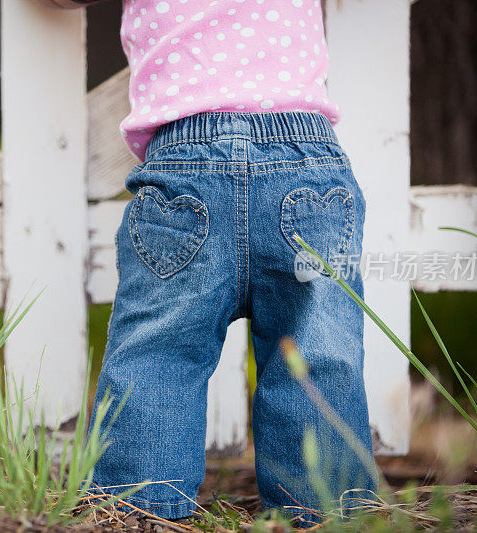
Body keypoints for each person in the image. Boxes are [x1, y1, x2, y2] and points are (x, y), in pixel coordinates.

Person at [38, 0, 377, 524]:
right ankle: (326, 515)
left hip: (185, 166)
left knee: (157, 350)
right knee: (318, 354)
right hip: (304, 163)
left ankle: (137, 511)